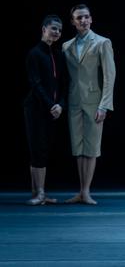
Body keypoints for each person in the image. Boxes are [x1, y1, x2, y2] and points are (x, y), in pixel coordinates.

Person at [62, 4, 116, 205]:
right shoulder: (66, 46)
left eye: (86, 17)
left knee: (92, 147)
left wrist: (104, 105)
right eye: (79, 18)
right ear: (73, 22)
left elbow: (110, 76)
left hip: (95, 102)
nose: (83, 21)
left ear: (91, 19)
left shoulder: (102, 43)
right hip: (74, 101)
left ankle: (86, 191)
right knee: (78, 147)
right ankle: (81, 191)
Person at [24, 15, 67, 205]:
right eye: (53, 28)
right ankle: (39, 193)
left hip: (54, 109)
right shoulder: (34, 53)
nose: (57, 32)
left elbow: (65, 85)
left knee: (45, 149)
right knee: (37, 149)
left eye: (59, 29)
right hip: (36, 109)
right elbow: (36, 84)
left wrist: (61, 105)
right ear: (44, 29)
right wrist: (51, 105)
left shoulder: (58, 54)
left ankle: (39, 193)